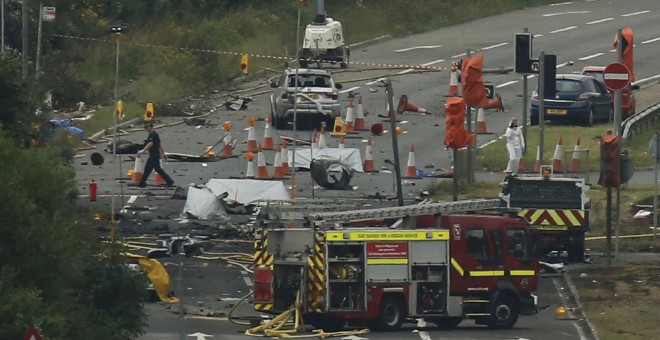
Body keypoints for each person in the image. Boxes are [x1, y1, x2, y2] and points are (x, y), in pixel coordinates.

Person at [138, 122, 175, 187]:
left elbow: (151, 143)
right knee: (148, 169)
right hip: (154, 154)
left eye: (146, 127)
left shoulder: (152, 134)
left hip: (154, 155)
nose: (146, 129)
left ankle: (170, 181)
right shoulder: (155, 134)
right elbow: (159, 145)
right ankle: (142, 183)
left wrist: (144, 150)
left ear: (150, 127)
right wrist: (162, 153)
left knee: (157, 169)